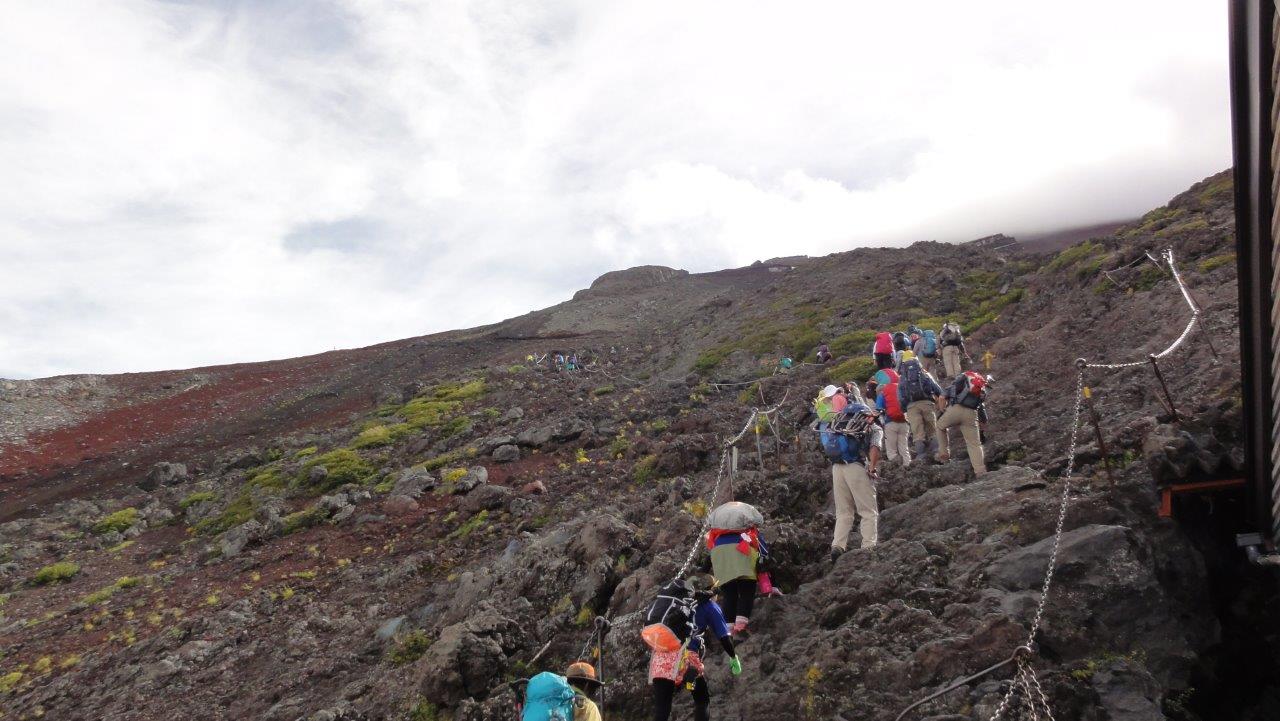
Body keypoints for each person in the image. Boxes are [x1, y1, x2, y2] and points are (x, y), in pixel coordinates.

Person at [649, 575, 742, 721]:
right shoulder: (710, 607)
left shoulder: (677, 601)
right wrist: (733, 657)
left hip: (661, 656)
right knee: (702, 700)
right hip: (686, 659)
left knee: (662, 709)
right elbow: (724, 637)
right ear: (712, 591)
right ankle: (688, 682)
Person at [817, 395, 883, 558]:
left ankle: (838, 546)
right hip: (856, 467)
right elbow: (875, 447)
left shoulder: (839, 424)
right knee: (868, 511)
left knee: (843, 511)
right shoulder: (873, 427)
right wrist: (872, 468)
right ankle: (868, 547)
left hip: (837, 467)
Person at [706, 524, 772, 636]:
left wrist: (702, 572)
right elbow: (764, 551)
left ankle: (728, 629)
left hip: (720, 554)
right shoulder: (750, 529)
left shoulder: (717, 531)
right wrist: (772, 585)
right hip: (744, 552)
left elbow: (709, 555)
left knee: (729, 594)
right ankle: (740, 628)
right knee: (746, 592)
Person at [937, 372, 992, 476]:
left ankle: (944, 454)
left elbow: (942, 397)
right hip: (972, 414)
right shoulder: (980, 387)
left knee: (940, 427)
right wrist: (983, 423)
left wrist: (942, 410)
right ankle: (980, 472)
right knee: (974, 444)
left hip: (955, 409)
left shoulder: (960, 381)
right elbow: (981, 408)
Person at [897, 352, 946, 461]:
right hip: (927, 403)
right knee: (932, 429)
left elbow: (900, 397)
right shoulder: (924, 374)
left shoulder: (902, 378)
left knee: (917, 432)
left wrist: (905, 409)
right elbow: (937, 389)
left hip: (911, 407)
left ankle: (921, 457)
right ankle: (937, 453)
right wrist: (941, 402)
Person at [875, 374, 911, 466]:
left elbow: (878, 408)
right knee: (904, 447)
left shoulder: (884, 392)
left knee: (891, 450)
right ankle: (907, 465)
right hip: (904, 422)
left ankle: (897, 464)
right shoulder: (902, 389)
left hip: (890, 422)